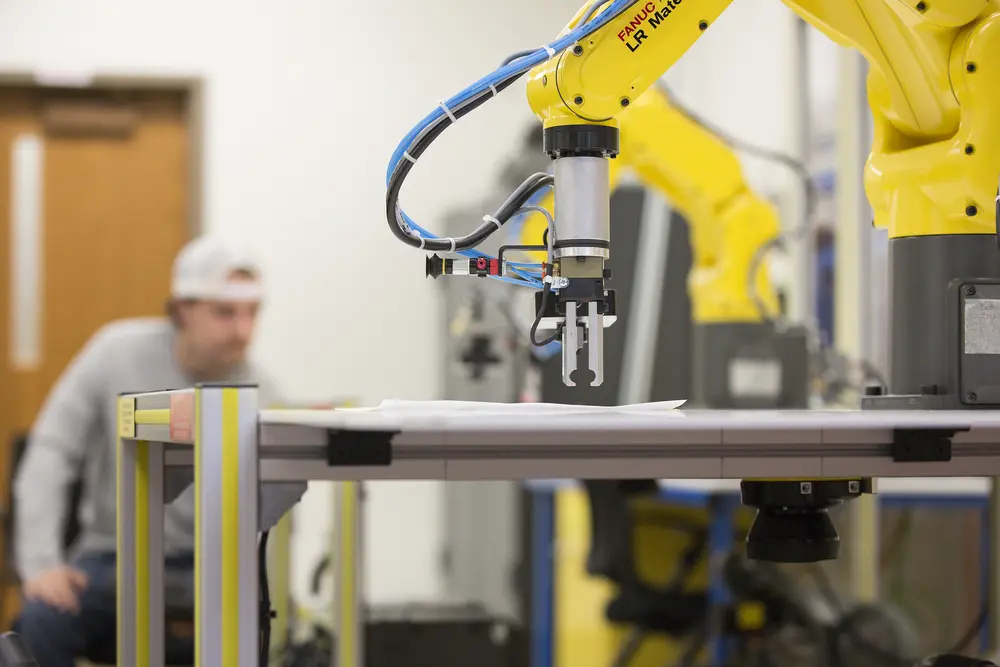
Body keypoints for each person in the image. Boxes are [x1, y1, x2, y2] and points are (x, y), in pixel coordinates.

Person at [11, 235, 302, 666]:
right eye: (225, 313)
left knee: (268, 640)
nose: (244, 331)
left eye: (252, 313)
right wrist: (40, 564)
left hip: (203, 569)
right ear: (182, 308)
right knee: (39, 626)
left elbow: (276, 521)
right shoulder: (115, 353)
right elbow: (52, 451)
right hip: (111, 559)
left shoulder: (265, 396)